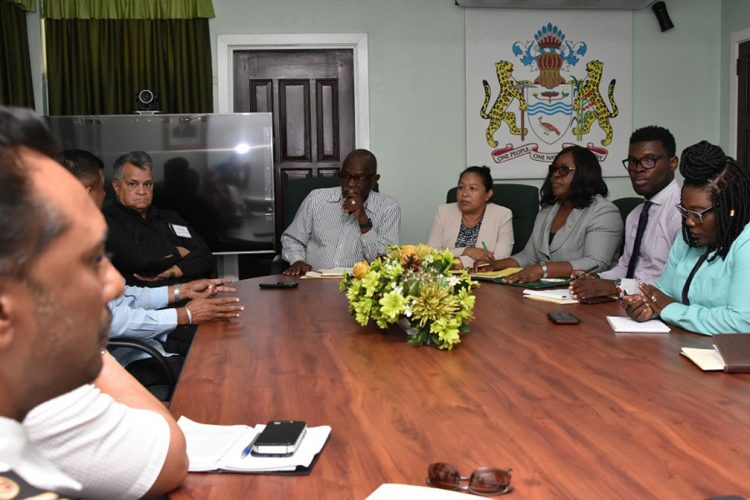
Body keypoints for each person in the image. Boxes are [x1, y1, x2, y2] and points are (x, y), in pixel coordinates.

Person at [0, 105, 186, 497]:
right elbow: (169, 458)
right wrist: (90, 345)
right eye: (89, 260)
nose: (114, 285)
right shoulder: (45, 395)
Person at [57, 149, 243, 383]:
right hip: (112, 358)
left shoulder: (167, 217)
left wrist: (181, 291)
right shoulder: (70, 246)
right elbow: (116, 318)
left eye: (148, 184)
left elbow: (125, 295)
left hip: (145, 338)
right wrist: (185, 313)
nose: (142, 192)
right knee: (218, 369)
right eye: (103, 188)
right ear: (87, 192)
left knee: (227, 348)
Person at [623, 141, 750, 334]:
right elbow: (662, 294)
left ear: (728, 210)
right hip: (684, 346)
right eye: (684, 210)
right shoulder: (687, 240)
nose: (689, 222)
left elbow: (741, 321)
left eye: (698, 213)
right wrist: (647, 306)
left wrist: (669, 309)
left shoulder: (745, 244)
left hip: (727, 357)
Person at [478, 145, 623, 282]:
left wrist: (542, 269)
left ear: (584, 173)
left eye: (564, 170)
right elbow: (529, 256)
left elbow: (596, 262)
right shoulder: (548, 210)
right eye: (553, 169)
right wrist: (495, 265)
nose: (555, 175)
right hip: (547, 292)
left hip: (586, 295)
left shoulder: (604, 212)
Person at [570, 126, 682, 300]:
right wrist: (596, 278)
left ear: (673, 163)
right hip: (628, 305)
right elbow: (625, 268)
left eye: (649, 160)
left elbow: (674, 283)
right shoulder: (636, 214)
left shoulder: (682, 211)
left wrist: (614, 287)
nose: (638, 169)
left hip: (661, 312)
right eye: (632, 162)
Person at [281, 149, 401, 276]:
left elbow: (385, 262)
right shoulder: (316, 199)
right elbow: (292, 239)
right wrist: (297, 260)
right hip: (314, 280)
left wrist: (362, 219)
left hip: (357, 286)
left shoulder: (389, 208)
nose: (350, 184)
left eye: (358, 178)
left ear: (374, 180)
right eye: (345, 176)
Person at [105, 150, 216, 286]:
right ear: (116, 186)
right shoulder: (107, 220)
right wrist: (179, 252)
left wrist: (173, 271)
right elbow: (142, 262)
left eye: (147, 184)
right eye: (133, 184)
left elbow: (205, 256)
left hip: (194, 295)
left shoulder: (170, 217)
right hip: (148, 304)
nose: (142, 191)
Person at [427, 166, 513, 268]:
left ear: (488, 194)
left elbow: (501, 258)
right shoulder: (444, 211)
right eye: (460, 188)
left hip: (485, 278)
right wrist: (467, 251)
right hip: (446, 279)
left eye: (473, 188)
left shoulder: (502, 215)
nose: (464, 194)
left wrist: (459, 262)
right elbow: (431, 253)